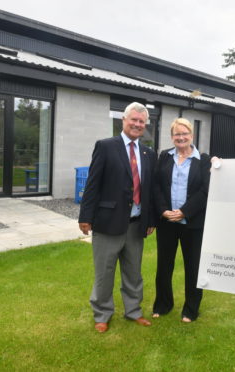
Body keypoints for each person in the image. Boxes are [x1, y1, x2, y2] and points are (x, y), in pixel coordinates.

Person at [78, 102, 157, 333]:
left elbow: (149, 190)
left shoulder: (148, 153)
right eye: (134, 119)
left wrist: (150, 219)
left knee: (133, 273)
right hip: (107, 223)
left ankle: (133, 311)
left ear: (145, 125)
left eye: (142, 122)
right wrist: (85, 216)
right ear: (123, 120)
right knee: (104, 272)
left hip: (135, 225)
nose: (137, 124)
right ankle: (102, 314)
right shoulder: (105, 146)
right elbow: (92, 184)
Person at [152, 118, 211, 323]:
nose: (181, 137)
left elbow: (206, 191)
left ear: (191, 136)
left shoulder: (203, 160)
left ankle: (191, 309)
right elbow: (156, 186)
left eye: (185, 133)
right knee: (164, 266)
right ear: (172, 137)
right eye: (177, 134)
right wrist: (163, 211)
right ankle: (163, 304)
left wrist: (184, 211)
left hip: (192, 224)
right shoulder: (164, 157)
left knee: (193, 267)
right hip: (167, 222)